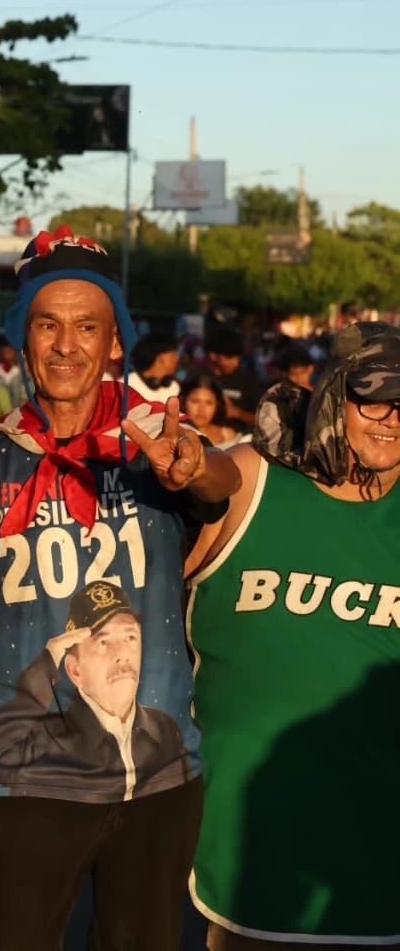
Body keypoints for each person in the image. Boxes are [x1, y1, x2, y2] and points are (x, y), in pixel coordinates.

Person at [0, 228, 241, 950]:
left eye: (87, 326)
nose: (66, 345)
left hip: (159, 781)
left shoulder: (154, 445)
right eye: (47, 324)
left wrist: (194, 466)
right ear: (21, 337)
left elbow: (220, 484)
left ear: (115, 343)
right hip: (29, 782)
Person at [185, 321, 400, 947]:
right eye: (373, 399)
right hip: (249, 837)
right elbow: (212, 479)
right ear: (334, 394)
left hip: (378, 841)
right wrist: (192, 471)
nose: (391, 418)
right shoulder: (257, 477)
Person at [0, 580, 188, 796]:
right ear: (75, 670)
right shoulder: (46, 744)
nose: (122, 654)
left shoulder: (165, 730)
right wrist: (47, 664)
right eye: (103, 642)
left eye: (130, 637)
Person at [205, 325, 264, 433]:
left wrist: (237, 413)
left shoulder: (248, 379)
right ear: (213, 355)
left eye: (237, 358)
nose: (235, 363)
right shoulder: (198, 376)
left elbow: (263, 418)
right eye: (229, 358)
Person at [180, 371, 239, 448]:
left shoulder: (227, 435)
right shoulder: (175, 433)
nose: (202, 409)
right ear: (183, 401)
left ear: (217, 405)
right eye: (195, 401)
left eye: (209, 403)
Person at [129, 331, 181, 405]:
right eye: (173, 354)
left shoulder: (174, 387)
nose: (176, 358)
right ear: (161, 356)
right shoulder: (127, 385)